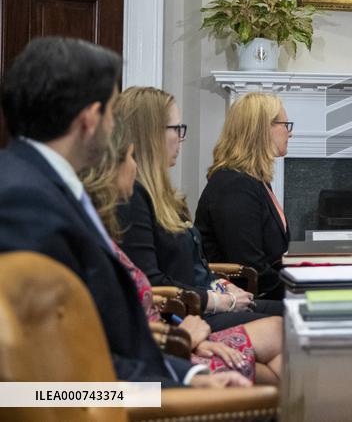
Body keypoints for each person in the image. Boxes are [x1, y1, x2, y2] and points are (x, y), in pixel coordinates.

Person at [0, 37, 246, 388]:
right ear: (89, 119)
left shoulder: (37, 183)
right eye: (112, 113)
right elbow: (43, 386)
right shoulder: (24, 203)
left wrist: (190, 376)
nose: (116, 127)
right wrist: (176, 394)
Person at [80, 120, 284, 384]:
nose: (135, 166)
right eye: (130, 156)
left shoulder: (101, 234)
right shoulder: (93, 233)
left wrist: (183, 344)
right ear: (109, 167)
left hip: (169, 342)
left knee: (283, 343)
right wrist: (182, 349)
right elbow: (74, 391)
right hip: (161, 354)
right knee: (282, 356)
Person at [114, 87, 281, 329]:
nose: (182, 138)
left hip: (204, 300)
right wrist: (220, 300)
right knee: (287, 325)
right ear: (150, 134)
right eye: (177, 129)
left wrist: (224, 286)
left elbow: (197, 267)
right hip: (188, 314)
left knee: (295, 314)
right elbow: (152, 281)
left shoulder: (167, 197)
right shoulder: (132, 198)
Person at [195, 92, 292, 300]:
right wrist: (299, 291)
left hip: (264, 291)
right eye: (286, 125)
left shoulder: (255, 180)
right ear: (263, 129)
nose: (290, 133)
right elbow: (250, 267)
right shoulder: (235, 186)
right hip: (245, 298)